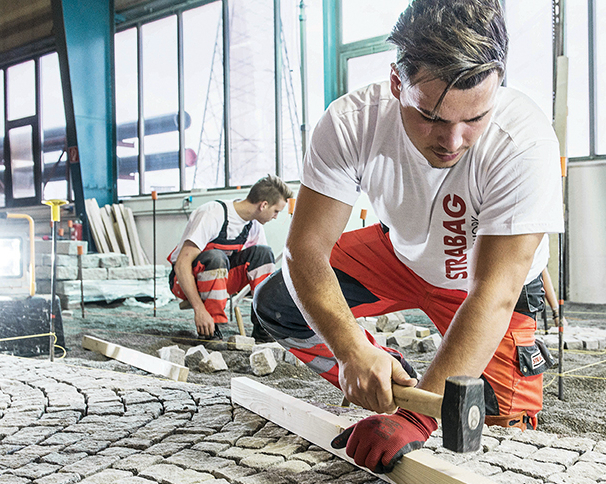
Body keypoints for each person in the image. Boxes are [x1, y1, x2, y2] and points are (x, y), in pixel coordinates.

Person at [253, 0, 563, 474]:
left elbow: (493, 293)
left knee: (491, 425)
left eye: (475, 119)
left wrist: (415, 418)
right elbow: (305, 249)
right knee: (277, 305)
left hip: (489, 283)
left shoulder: (525, 142)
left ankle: (418, 392)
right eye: (433, 118)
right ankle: (390, 369)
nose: (453, 141)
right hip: (401, 257)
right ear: (398, 83)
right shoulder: (350, 122)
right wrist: (352, 349)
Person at [168, 175, 292, 342]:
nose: (276, 216)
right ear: (264, 205)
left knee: (264, 253)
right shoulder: (213, 214)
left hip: (223, 279)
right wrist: (199, 310)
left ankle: (264, 328)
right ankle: (210, 329)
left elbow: (259, 269)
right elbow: (182, 265)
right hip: (183, 280)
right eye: (276, 211)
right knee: (215, 257)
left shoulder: (253, 225)